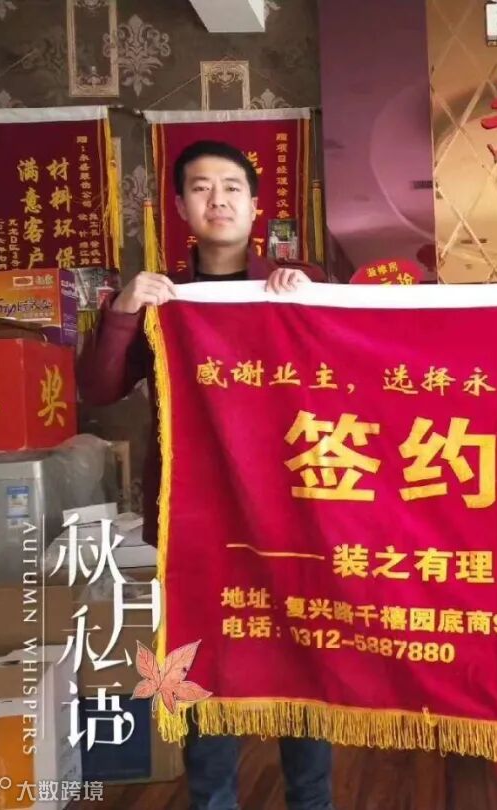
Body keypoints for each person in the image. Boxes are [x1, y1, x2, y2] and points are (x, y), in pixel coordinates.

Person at [79, 140, 334, 810]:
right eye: (200, 188)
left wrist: (312, 306)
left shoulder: (300, 282)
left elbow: (350, 378)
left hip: (290, 515)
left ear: (255, 205)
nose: (217, 199)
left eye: (231, 187)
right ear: (180, 206)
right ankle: (212, 800)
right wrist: (124, 312)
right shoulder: (160, 298)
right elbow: (99, 390)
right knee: (199, 670)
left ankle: (312, 801)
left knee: (301, 663)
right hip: (194, 523)